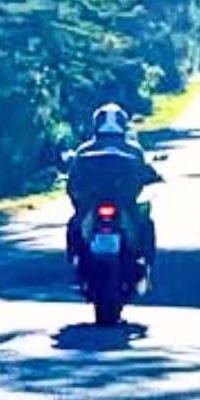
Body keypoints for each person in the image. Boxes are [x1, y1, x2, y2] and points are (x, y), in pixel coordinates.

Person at [66, 103, 160, 279]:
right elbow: (146, 172)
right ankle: (146, 267)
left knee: (74, 224)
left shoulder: (85, 149)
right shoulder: (133, 148)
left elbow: (73, 178)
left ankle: (76, 260)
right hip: (122, 203)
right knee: (145, 224)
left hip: (95, 204)